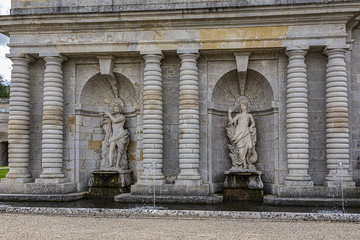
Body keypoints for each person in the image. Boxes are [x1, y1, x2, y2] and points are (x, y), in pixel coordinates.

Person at [227, 101, 257, 169]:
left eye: (243, 106)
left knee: (249, 147)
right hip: (239, 132)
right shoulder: (238, 115)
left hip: (246, 132)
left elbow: (253, 123)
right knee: (240, 149)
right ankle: (243, 164)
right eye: (241, 106)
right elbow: (231, 121)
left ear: (246, 106)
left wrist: (251, 127)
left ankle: (247, 161)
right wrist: (229, 113)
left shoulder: (249, 115)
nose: (242, 107)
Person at [100, 102, 129, 169]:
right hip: (114, 135)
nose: (116, 110)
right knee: (111, 149)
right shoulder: (112, 117)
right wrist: (102, 116)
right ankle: (111, 164)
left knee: (120, 150)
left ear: (120, 109)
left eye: (117, 108)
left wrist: (109, 114)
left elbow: (115, 121)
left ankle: (118, 164)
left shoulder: (122, 117)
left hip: (121, 134)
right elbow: (103, 122)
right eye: (115, 108)